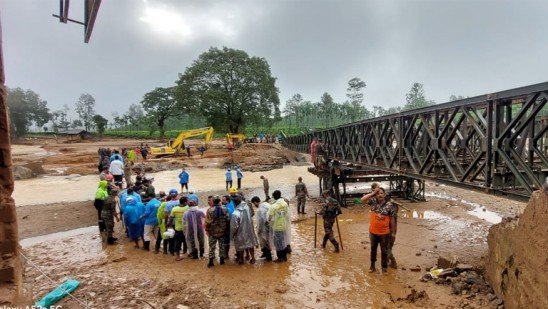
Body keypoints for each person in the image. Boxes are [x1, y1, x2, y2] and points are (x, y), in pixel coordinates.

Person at [360, 187, 397, 274]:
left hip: (384, 233)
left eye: (381, 193)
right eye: (378, 193)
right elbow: (362, 200)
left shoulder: (390, 205)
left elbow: (392, 220)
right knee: (373, 250)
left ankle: (384, 268)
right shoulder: (373, 202)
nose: (379, 195)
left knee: (384, 251)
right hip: (373, 232)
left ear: (384, 195)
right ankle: (372, 266)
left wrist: (393, 233)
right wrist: (373, 193)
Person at [230, 195, 258, 264]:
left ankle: (241, 259)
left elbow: (234, 226)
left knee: (240, 246)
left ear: (234, 204)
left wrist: (232, 234)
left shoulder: (235, 213)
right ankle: (253, 258)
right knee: (250, 244)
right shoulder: (247, 207)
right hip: (249, 230)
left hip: (240, 232)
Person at [205, 196, 229, 267]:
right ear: (219, 201)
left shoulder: (209, 210)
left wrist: (207, 230)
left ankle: (211, 262)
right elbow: (227, 219)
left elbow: (208, 222)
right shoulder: (225, 209)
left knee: (212, 247)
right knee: (221, 246)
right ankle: (222, 260)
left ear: (213, 201)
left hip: (213, 232)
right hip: (222, 231)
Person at [267, 190, 291, 262]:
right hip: (284, 225)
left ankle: (280, 258)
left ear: (274, 197)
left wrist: (268, 222)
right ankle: (284, 257)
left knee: (278, 243)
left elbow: (269, 217)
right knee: (283, 241)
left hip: (277, 227)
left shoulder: (273, 206)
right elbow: (287, 214)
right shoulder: (285, 204)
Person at [252, 196, 273, 261]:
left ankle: (268, 258)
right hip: (270, 226)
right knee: (267, 241)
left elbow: (260, 221)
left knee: (264, 242)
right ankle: (265, 254)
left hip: (264, 228)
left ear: (255, 202)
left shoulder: (259, 210)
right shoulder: (266, 204)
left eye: (253, 204)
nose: (254, 205)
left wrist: (258, 230)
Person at [170, 196, 190, 261]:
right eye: (187, 201)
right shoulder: (188, 208)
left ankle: (177, 256)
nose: (188, 202)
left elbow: (171, 219)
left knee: (177, 243)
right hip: (186, 229)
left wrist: (168, 226)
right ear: (184, 202)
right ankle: (185, 253)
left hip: (178, 229)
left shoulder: (174, 209)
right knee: (186, 242)